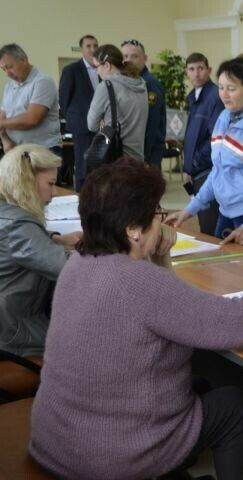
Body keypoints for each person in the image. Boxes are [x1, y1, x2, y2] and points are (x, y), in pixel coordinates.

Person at [29, 158, 243, 480]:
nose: (162, 221)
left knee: (199, 378)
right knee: (231, 405)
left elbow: (169, 310)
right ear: (133, 230)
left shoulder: (78, 264)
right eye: (156, 214)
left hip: (57, 439)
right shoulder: (138, 281)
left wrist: (160, 257)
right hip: (111, 456)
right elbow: (232, 323)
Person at [165, 57, 243, 252]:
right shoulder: (224, 117)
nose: (224, 95)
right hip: (225, 213)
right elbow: (218, 172)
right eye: (221, 87)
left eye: (231, 89)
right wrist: (189, 210)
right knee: (221, 275)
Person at [0, 145, 80, 358]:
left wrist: (54, 238)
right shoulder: (18, 227)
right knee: (94, 338)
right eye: (51, 184)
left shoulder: (8, 213)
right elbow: (72, 271)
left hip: (9, 320)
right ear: (26, 182)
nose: (53, 194)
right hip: (11, 331)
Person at [183, 52, 224, 236]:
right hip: (197, 170)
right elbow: (193, 136)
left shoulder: (215, 96)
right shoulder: (194, 96)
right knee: (205, 225)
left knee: (210, 227)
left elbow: (215, 138)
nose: (196, 73)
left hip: (207, 170)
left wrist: (195, 163)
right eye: (192, 69)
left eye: (200, 68)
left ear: (209, 70)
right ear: (186, 72)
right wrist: (187, 168)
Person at [87, 44, 149, 161]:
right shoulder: (142, 85)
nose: (97, 73)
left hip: (116, 160)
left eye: (96, 67)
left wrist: (102, 120)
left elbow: (92, 125)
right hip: (138, 159)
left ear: (107, 65)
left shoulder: (106, 86)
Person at [0, 44, 61, 154]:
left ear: (23, 59)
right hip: (15, 150)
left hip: (43, 150)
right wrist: (5, 140)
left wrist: (2, 124)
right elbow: (2, 117)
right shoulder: (9, 86)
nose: (7, 73)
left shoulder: (43, 81)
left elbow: (31, 119)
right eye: (3, 69)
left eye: (9, 67)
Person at [59, 34, 99, 191]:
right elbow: (63, 99)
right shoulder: (71, 70)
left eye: (95, 46)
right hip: (81, 125)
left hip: (100, 125)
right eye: (88, 46)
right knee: (83, 163)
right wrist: (72, 120)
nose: (92, 49)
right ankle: (82, 195)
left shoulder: (102, 68)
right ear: (81, 49)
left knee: (98, 161)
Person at [121, 39, 166, 167]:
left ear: (144, 58)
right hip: (133, 153)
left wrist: (144, 157)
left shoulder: (149, 84)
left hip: (146, 156)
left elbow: (151, 124)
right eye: (125, 56)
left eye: (134, 56)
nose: (128, 60)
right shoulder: (131, 81)